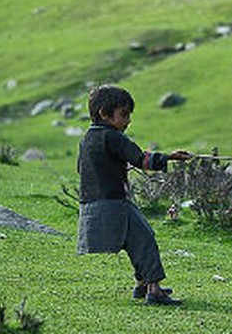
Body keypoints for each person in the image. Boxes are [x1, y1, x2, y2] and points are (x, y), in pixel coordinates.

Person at [76, 85, 191, 305]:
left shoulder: (87, 139)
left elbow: (82, 169)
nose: (128, 121)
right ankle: (154, 290)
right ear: (104, 114)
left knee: (133, 241)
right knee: (145, 237)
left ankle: (142, 284)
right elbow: (141, 159)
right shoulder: (114, 137)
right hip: (114, 203)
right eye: (124, 114)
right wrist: (170, 157)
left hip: (93, 203)